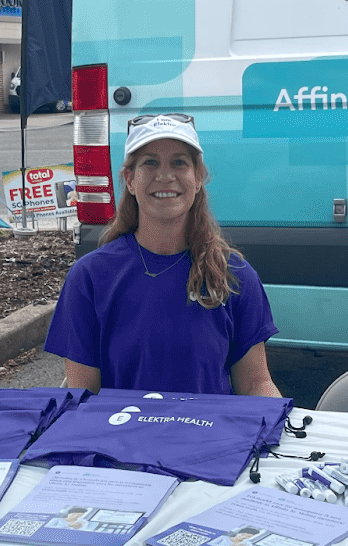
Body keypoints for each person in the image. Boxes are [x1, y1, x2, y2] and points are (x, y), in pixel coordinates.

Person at [46, 113, 281, 396]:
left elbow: (256, 384)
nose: (166, 176)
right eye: (151, 162)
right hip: (121, 438)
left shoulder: (234, 275)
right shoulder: (90, 277)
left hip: (209, 438)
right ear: (130, 181)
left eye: (179, 162)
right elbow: (81, 396)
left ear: (198, 178)